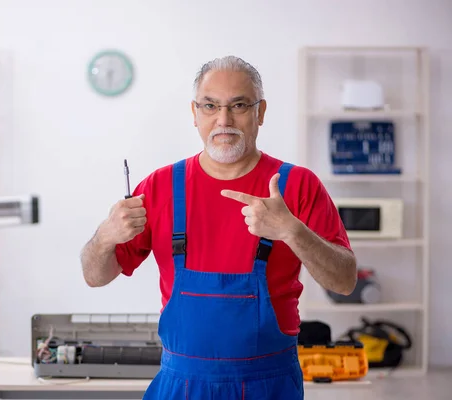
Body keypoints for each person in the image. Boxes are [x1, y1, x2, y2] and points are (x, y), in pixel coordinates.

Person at [80, 55, 357, 399]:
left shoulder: (298, 185)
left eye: (238, 105)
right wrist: (106, 235)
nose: (223, 120)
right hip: (181, 384)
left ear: (261, 112)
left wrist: (292, 231)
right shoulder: (160, 186)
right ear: (194, 114)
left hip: (268, 385)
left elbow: (345, 281)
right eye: (210, 106)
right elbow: (94, 276)